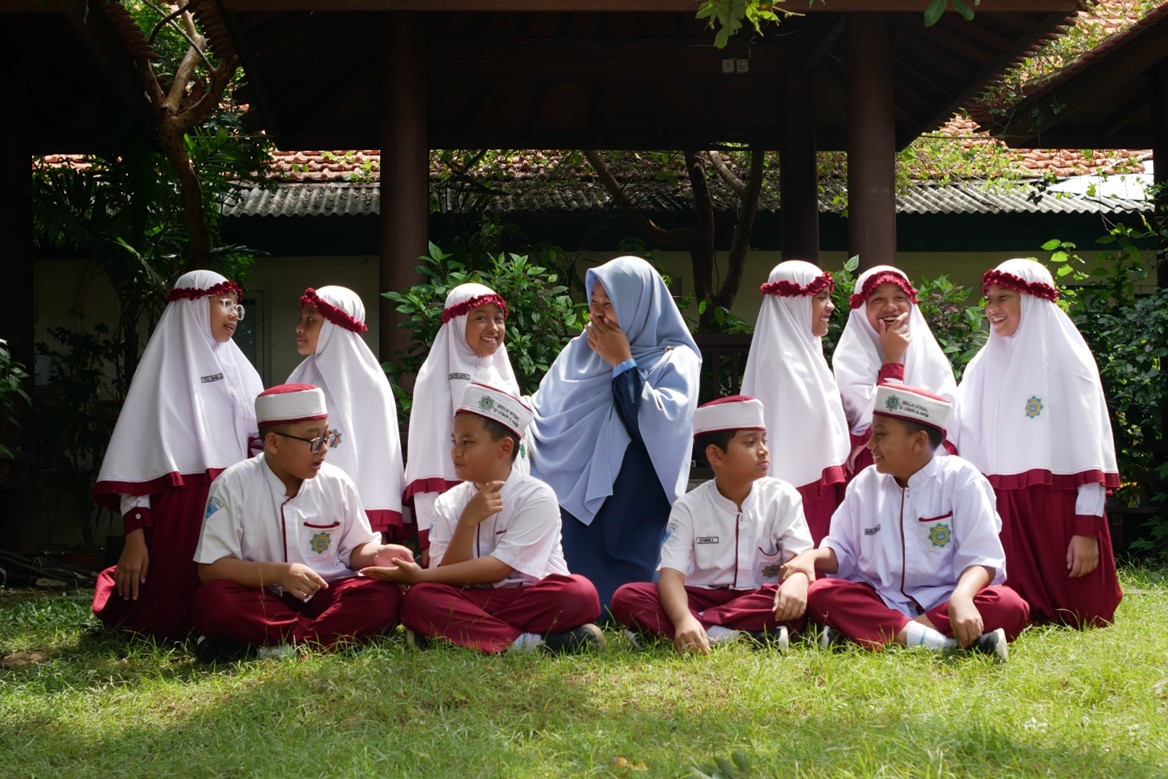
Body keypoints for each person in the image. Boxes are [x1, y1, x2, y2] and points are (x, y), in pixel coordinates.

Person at [785, 383, 1030, 661]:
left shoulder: (962, 480)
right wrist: (811, 558)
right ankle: (942, 646)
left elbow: (983, 557)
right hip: (881, 599)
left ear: (919, 441)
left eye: (880, 435)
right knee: (823, 593)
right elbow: (842, 550)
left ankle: (879, 636)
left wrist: (961, 598)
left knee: (1009, 604)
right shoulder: (865, 484)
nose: (871, 445)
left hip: (946, 601)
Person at [362, 383, 603, 653]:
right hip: (471, 598)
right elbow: (445, 576)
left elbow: (500, 569)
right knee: (420, 600)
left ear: (504, 447)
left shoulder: (536, 496)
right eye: (454, 441)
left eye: (467, 442)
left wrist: (419, 577)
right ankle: (528, 643)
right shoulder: (448, 502)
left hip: (531, 598)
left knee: (579, 594)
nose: (455, 452)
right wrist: (467, 520)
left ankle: (457, 635)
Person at [91, 269, 263, 641]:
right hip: (178, 512)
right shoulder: (160, 376)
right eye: (224, 303)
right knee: (160, 621)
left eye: (236, 306)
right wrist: (135, 536)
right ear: (194, 306)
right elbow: (137, 459)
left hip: (234, 504)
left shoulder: (243, 372)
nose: (234, 313)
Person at [953, 258, 1122, 628]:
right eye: (989, 299)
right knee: (1013, 606)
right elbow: (955, 430)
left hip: (1058, 513)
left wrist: (1086, 530)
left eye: (1004, 298)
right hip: (1004, 510)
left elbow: (1089, 447)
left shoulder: (1069, 363)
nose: (992, 309)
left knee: (1085, 614)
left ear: (1031, 300)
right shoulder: (981, 366)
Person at [529, 255, 701, 616]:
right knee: (576, 590)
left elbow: (656, 425)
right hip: (574, 494)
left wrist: (623, 362)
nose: (600, 315)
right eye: (594, 304)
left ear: (639, 303)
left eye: (611, 305)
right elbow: (545, 410)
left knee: (630, 596)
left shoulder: (677, 359)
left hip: (636, 496)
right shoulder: (580, 349)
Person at [191, 384, 414, 660]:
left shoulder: (337, 482)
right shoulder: (233, 484)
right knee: (214, 600)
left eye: (328, 436)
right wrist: (278, 573)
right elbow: (211, 568)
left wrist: (378, 554)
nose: (324, 450)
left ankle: (280, 648)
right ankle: (316, 640)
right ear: (273, 443)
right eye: (314, 441)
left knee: (384, 597)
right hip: (262, 598)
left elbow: (355, 549)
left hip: (324, 595)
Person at [611, 396, 813, 653]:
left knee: (804, 600)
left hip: (759, 599)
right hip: (701, 595)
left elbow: (800, 560)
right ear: (716, 455)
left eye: (764, 441)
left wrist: (797, 581)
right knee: (628, 598)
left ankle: (699, 631)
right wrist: (683, 617)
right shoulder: (688, 507)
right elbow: (671, 575)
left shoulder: (783, 496)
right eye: (750, 442)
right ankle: (740, 637)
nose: (763, 450)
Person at [405, 283, 527, 557]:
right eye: (481, 318)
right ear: (458, 323)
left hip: (505, 503)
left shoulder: (503, 377)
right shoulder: (435, 381)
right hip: (453, 508)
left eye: (498, 318)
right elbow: (429, 458)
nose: (493, 328)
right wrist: (429, 533)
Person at [741, 260, 849, 544]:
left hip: (818, 484)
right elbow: (802, 438)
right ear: (795, 302)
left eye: (828, 297)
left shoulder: (806, 354)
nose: (830, 307)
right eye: (820, 297)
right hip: (801, 490)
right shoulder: (781, 363)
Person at [287, 286, 405, 538]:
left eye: (311, 320)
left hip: (357, 514)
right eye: (301, 318)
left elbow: (379, 461)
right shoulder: (299, 376)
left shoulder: (370, 385)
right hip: (304, 502)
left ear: (334, 326)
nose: (299, 327)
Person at [832, 265, 956, 476]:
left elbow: (944, 412)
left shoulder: (928, 353)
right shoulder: (849, 356)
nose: (890, 307)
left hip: (927, 461)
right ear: (862, 309)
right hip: (875, 462)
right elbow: (870, 418)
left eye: (899, 298)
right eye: (878, 300)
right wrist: (892, 359)